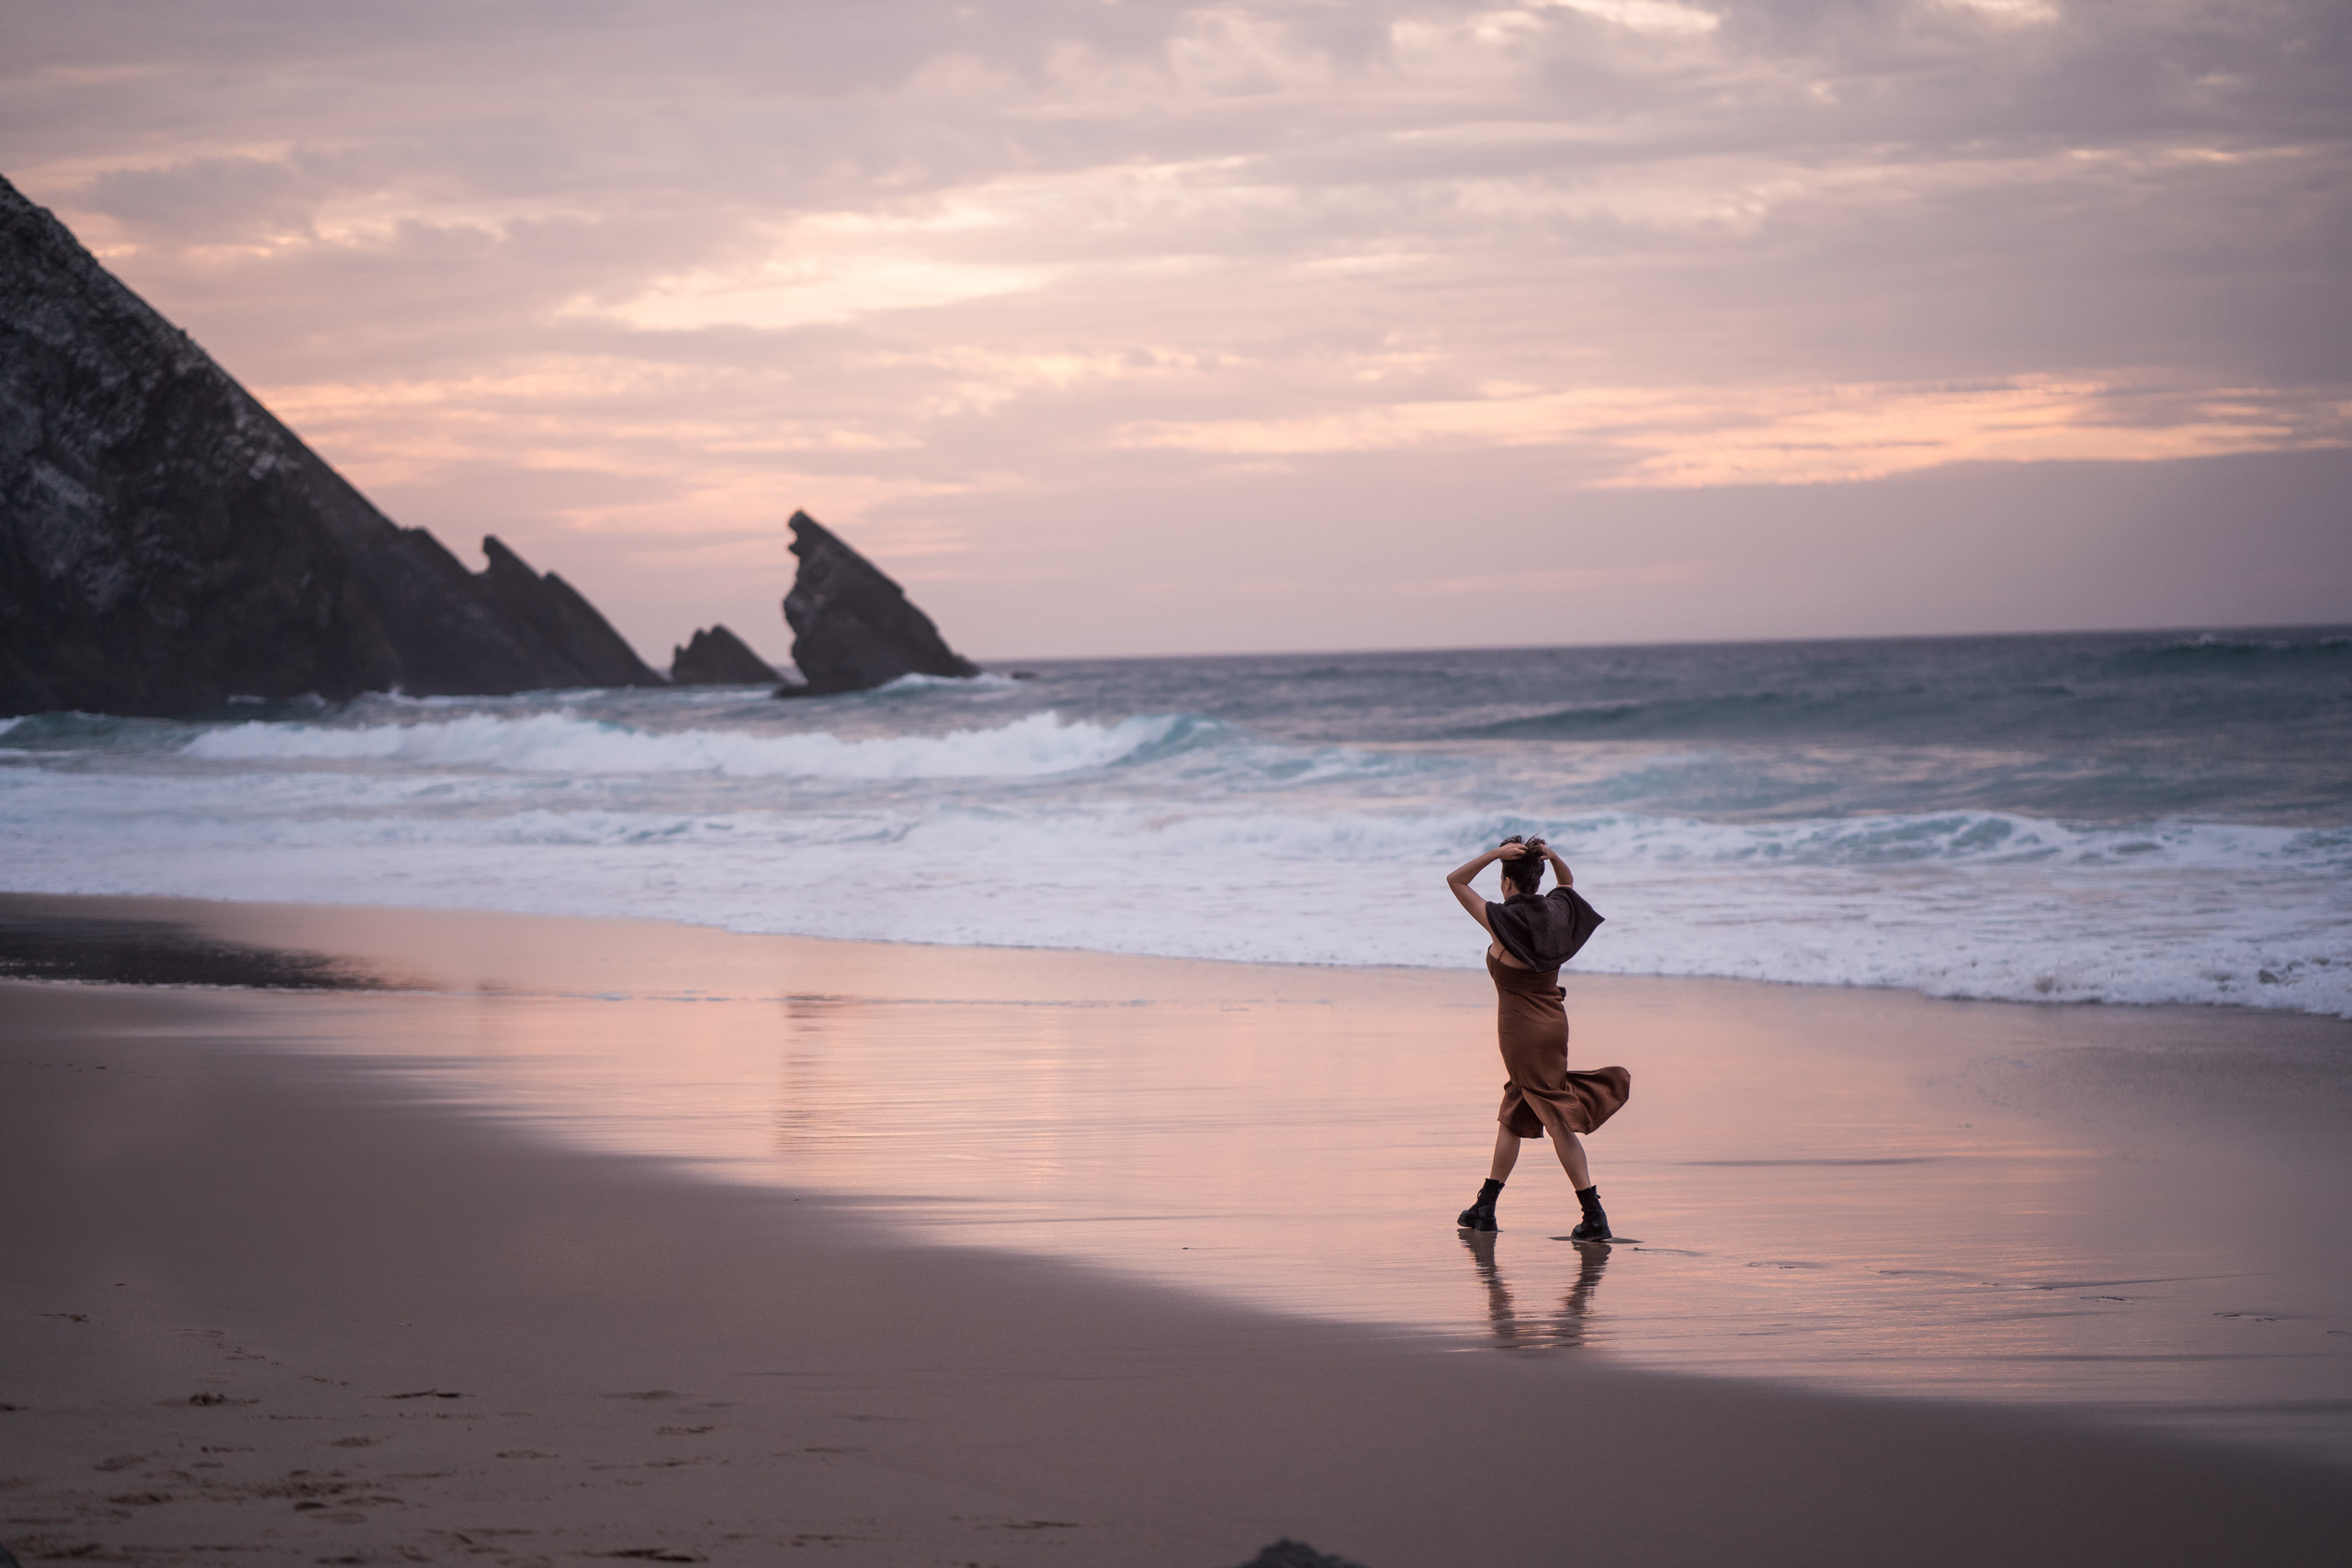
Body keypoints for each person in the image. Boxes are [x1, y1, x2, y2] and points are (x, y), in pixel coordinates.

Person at [1444, 835, 1629, 1241]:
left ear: (1507, 880)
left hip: (1521, 1033)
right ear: (1538, 877)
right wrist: (1552, 855)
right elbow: (1568, 882)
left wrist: (1494, 854)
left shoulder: (1502, 920)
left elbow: (1455, 881)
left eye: (1501, 876)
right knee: (1515, 1108)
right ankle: (1485, 1206)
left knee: (1554, 1119)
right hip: (1553, 1024)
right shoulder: (1557, 913)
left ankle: (1594, 1213)